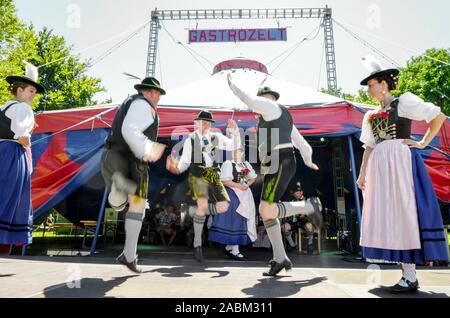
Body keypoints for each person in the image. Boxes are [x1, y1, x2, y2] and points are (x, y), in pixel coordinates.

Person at [357, 56, 449, 293]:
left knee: (405, 213)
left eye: (371, 84)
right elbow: (369, 146)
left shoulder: (404, 102)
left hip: (400, 163)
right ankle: (407, 274)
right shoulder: (370, 114)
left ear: (384, 83)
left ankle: (410, 276)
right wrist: (362, 173)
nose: (368, 89)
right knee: (391, 217)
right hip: (381, 167)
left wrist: (423, 143)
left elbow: (437, 117)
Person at [228, 74, 323, 276]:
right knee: (266, 211)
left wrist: (232, 86)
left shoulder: (271, 108)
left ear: (268, 99)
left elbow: (249, 100)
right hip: (277, 163)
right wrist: (307, 159)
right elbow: (300, 141)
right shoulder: (274, 117)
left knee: (267, 209)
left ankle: (308, 206)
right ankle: (280, 258)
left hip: (281, 161)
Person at [101, 77, 167, 273]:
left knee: (132, 203)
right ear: (152, 93)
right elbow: (129, 129)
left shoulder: (129, 102)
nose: (158, 98)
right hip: (132, 158)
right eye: (158, 94)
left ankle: (129, 256)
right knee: (137, 203)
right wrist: (147, 148)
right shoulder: (143, 105)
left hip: (114, 154)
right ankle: (129, 255)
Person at [166, 110, 241, 262]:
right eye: (203, 122)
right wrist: (177, 168)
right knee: (203, 204)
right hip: (197, 174)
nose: (205, 125)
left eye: (208, 123)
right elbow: (185, 162)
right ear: (196, 123)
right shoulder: (190, 140)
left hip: (212, 173)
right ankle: (197, 245)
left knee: (224, 206)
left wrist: (235, 131)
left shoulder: (216, 137)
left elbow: (234, 145)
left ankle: (194, 211)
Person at [0, 62, 45, 247]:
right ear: (19, 90)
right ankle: (5, 240)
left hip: (2, 152)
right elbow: (22, 137)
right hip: (13, 155)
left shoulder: (4, 107)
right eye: (31, 91)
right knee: (12, 198)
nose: (33, 96)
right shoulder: (24, 108)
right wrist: (27, 137)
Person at [208, 147, 258, 260]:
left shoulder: (245, 164)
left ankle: (229, 247)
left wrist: (247, 185)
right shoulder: (228, 164)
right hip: (233, 195)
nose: (236, 154)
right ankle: (235, 251)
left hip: (244, 195)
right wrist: (239, 186)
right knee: (236, 220)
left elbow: (253, 177)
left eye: (238, 152)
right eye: (234, 152)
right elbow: (224, 181)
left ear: (242, 153)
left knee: (242, 220)